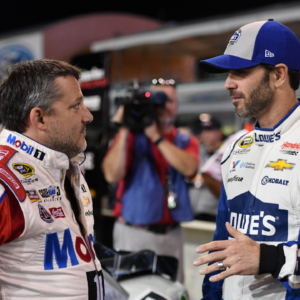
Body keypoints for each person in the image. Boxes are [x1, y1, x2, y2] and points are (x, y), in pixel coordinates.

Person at [192, 19, 300, 299]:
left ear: (278, 75)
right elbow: (221, 243)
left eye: (240, 72)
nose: (228, 83)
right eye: (228, 73)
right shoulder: (237, 147)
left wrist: (270, 259)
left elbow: (260, 256)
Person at [0, 60, 105, 299]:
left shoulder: (65, 165)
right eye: (76, 106)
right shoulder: (6, 177)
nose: (87, 116)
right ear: (39, 118)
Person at [102, 78, 199, 283]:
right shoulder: (130, 138)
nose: (163, 105)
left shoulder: (184, 140)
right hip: (134, 231)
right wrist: (125, 127)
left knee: (172, 291)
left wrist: (156, 137)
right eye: (158, 100)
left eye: (169, 100)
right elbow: (111, 174)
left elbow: (190, 168)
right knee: (132, 291)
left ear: (177, 105)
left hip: (171, 233)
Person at [189, 117, 224, 222]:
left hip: (213, 209)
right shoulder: (196, 151)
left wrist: (207, 176)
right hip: (194, 207)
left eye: (210, 130)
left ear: (219, 133)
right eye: (204, 131)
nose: (206, 134)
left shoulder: (226, 152)